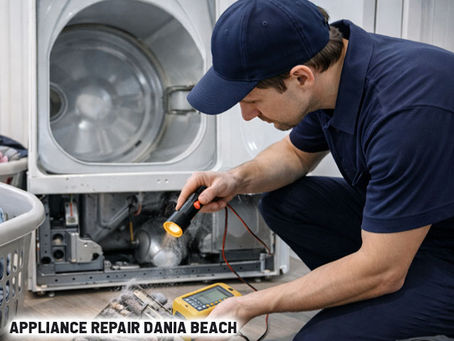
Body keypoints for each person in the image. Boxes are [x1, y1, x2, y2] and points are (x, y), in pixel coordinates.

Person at [176, 0, 454, 339]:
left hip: (441, 251)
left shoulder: (405, 114)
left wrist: (250, 304)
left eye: (251, 99)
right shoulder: (335, 72)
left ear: (301, 77)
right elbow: (296, 154)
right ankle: (371, 297)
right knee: (285, 203)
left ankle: (386, 297)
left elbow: (385, 270)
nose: (246, 114)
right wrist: (235, 179)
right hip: (416, 231)